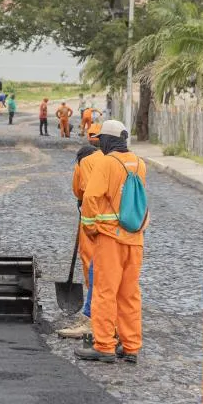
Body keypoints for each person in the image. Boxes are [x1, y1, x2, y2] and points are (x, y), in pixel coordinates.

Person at [75, 120, 147, 364]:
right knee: (129, 294)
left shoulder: (106, 163)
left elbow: (91, 198)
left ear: (107, 140)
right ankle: (131, 346)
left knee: (105, 292)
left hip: (110, 239)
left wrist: (91, 227)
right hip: (135, 239)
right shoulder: (140, 163)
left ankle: (104, 345)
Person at [57, 137, 104, 339]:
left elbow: (80, 189)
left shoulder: (83, 163)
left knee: (91, 265)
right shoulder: (108, 158)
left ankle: (92, 316)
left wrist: (83, 205)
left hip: (92, 221)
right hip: (115, 224)